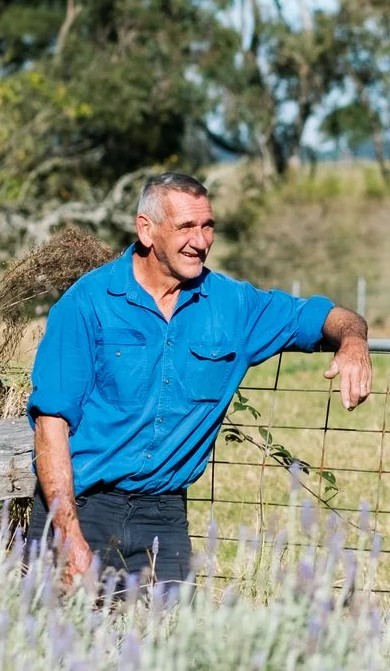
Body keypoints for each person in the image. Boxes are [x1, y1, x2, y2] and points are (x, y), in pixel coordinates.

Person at [27, 171, 372, 587]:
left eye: (207, 226)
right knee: (66, 646)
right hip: (84, 509)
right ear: (146, 230)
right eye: (186, 226)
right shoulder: (88, 303)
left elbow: (323, 316)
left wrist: (353, 341)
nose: (201, 240)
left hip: (164, 516)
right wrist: (68, 537)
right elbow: (51, 425)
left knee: (168, 646)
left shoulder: (233, 305)